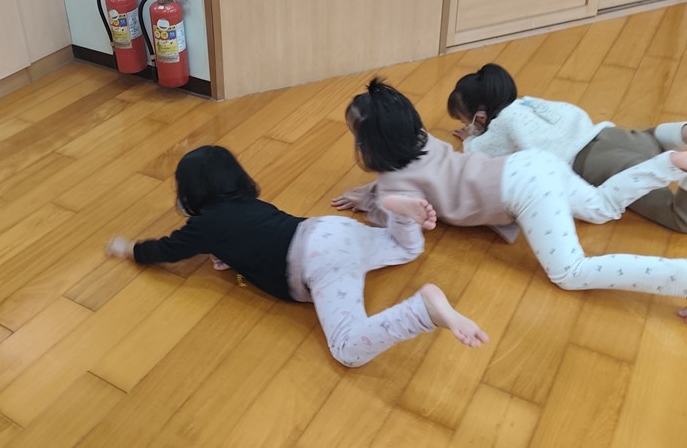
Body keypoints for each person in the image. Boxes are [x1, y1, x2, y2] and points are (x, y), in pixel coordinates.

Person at [106, 145, 488, 368]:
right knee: (407, 249)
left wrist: (130, 250)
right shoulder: (248, 203)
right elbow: (244, 240)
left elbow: (165, 250)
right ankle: (397, 212)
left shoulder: (203, 226)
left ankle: (422, 312)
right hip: (330, 230)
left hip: (316, 263)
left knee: (347, 350)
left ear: (191, 194)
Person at [332, 79, 687, 318]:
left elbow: (404, 222)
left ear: (368, 144)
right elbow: (416, 181)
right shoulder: (424, 140)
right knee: (601, 207)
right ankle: (668, 163)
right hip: (535, 163)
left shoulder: (394, 182)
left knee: (569, 272)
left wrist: (374, 201)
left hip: (524, 189)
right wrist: (375, 193)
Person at [447, 63, 687, 232]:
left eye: (465, 120)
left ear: (479, 118)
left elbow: (475, 157)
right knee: (650, 140)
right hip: (606, 134)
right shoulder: (527, 103)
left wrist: (471, 137)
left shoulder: (501, 125)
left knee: (678, 217)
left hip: (594, 164)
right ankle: (681, 132)